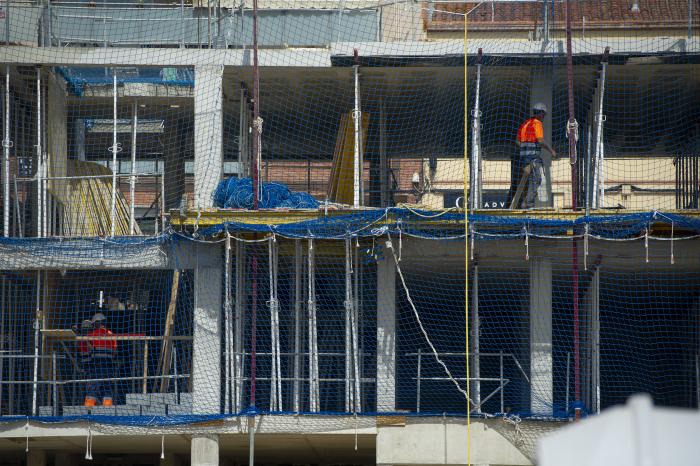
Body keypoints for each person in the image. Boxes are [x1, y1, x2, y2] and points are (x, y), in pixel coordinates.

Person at [510, 102, 558, 209]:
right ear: (541, 113)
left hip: (524, 158)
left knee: (527, 181)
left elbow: (517, 141)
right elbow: (540, 141)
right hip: (533, 158)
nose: (544, 117)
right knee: (537, 179)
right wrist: (551, 151)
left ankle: (523, 202)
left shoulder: (525, 123)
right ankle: (528, 203)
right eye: (544, 114)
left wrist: (525, 148)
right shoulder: (537, 124)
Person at [83, 312, 117, 407]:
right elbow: (114, 352)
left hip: (96, 365)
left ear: (97, 323)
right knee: (107, 387)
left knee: (92, 387)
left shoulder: (91, 335)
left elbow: (88, 350)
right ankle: (107, 407)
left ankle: (88, 408)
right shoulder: (112, 335)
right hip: (109, 366)